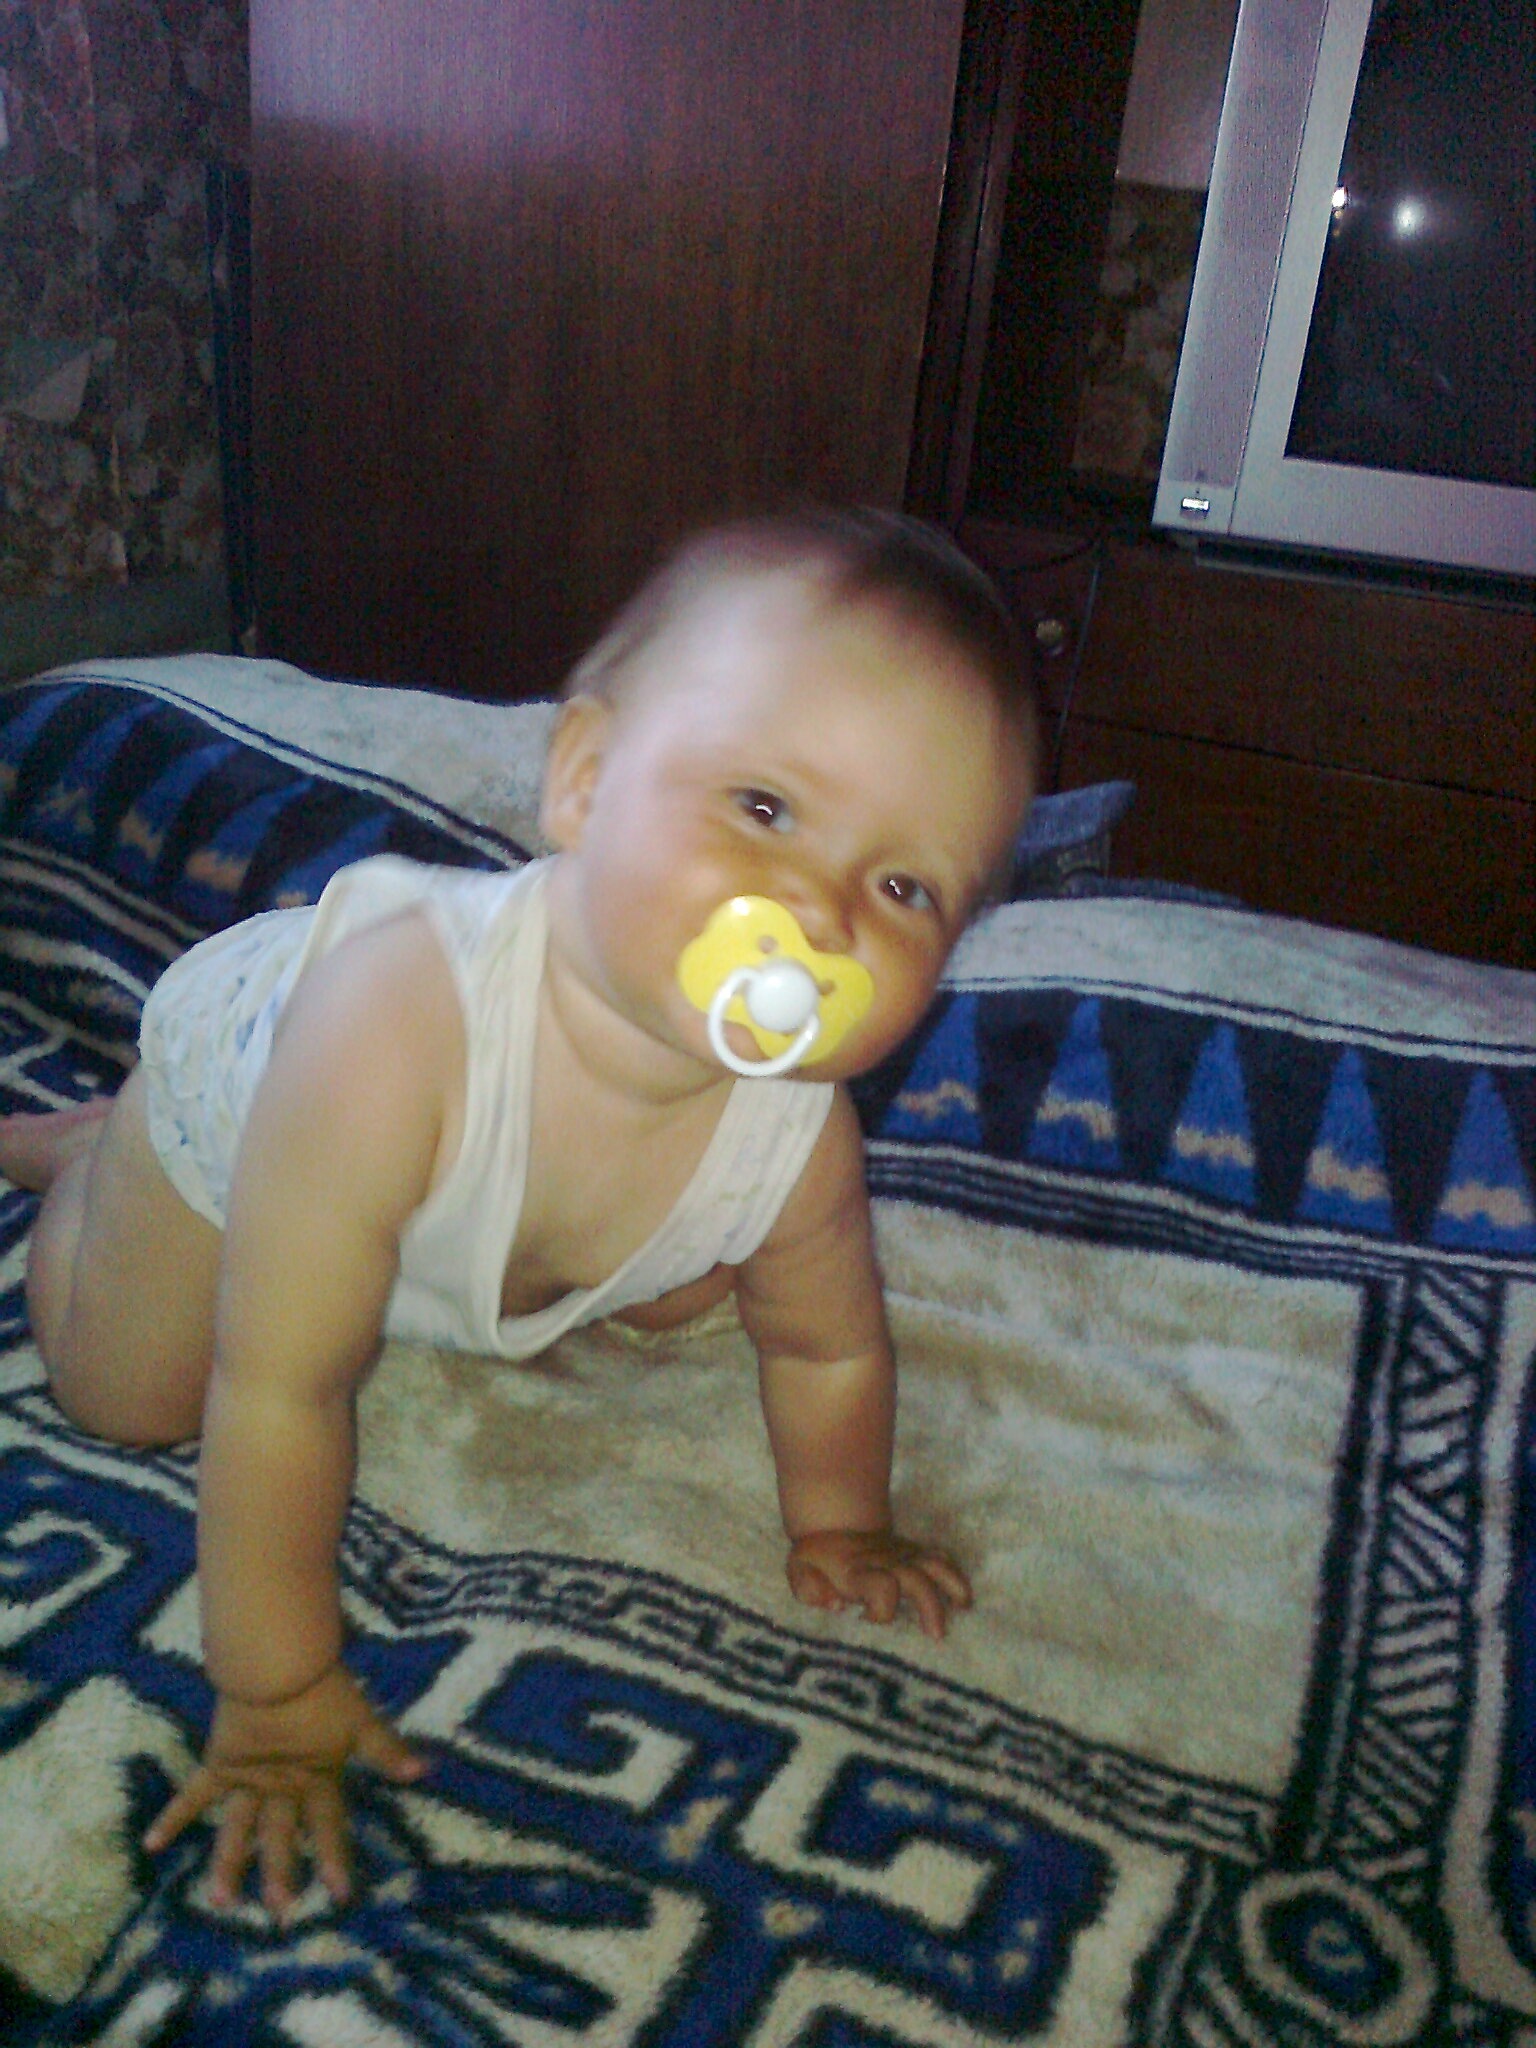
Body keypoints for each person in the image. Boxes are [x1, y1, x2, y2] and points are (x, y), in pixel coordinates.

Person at [0, 508, 1038, 1922]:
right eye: (765, 808)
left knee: (712, 1286)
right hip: (263, 1115)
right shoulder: (391, 1031)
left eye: (904, 886)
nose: (820, 912)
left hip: (454, 1195)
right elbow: (282, 1390)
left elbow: (827, 1347)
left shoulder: (797, 1131)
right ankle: (94, 1159)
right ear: (587, 783)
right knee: (131, 1395)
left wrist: (845, 1524)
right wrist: (279, 1692)